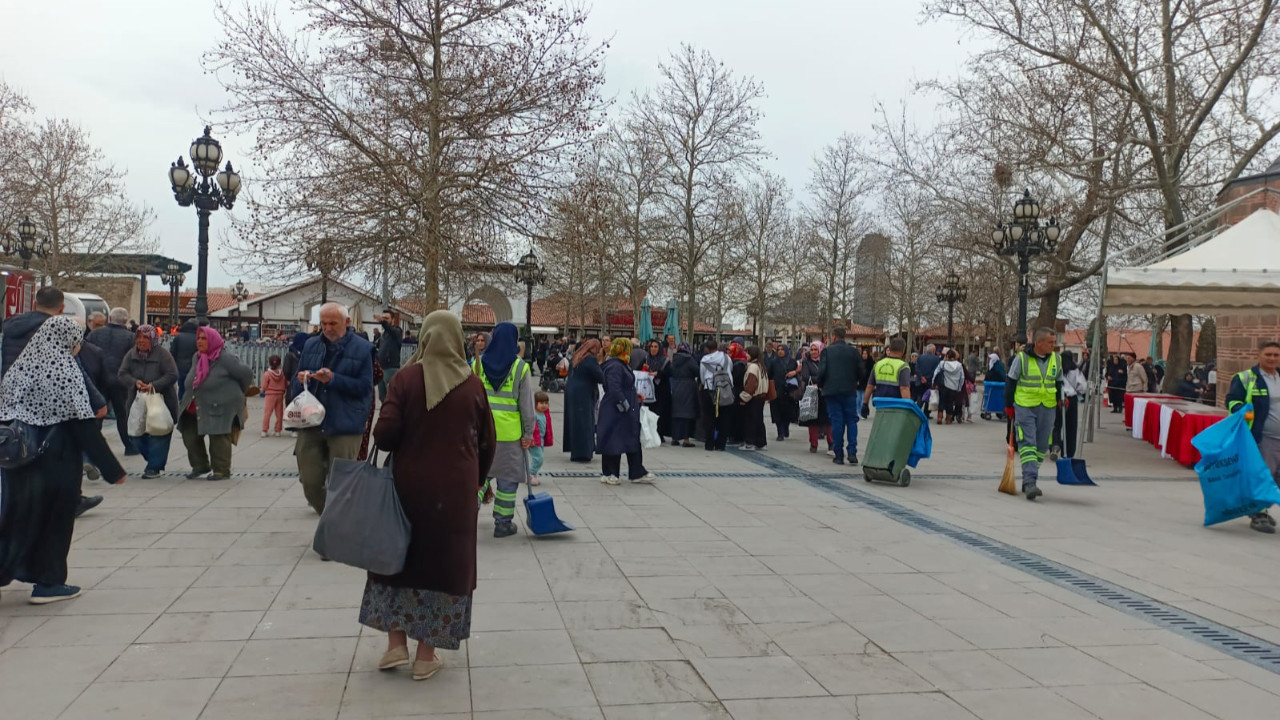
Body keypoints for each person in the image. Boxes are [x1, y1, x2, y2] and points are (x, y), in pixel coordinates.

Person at [366, 309, 496, 681]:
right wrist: (478, 482)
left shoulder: (406, 379)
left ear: (424, 337)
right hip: (454, 497)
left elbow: (385, 434)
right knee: (442, 568)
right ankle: (426, 655)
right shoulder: (472, 384)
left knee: (396, 558)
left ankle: (395, 646)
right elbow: (488, 441)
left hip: (406, 490)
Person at [0, 316, 125, 604]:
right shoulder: (63, 371)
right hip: (54, 461)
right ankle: (49, 583)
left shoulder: (21, 368)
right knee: (55, 523)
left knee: (17, 520)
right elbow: (81, 425)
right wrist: (111, 469)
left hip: (18, 460)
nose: (79, 345)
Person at [291, 303, 375, 514]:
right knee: (309, 482)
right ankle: (330, 515)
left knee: (343, 483)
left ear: (347, 322)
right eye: (324, 323)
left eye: (333, 323)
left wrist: (333, 379)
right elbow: (295, 382)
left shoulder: (363, 349)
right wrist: (301, 379)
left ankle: (337, 526)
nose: (327, 328)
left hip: (345, 422)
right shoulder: (311, 345)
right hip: (312, 422)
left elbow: (365, 388)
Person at [472, 322, 535, 535]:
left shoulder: (477, 365)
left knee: (480, 477)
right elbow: (527, 406)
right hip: (509, 435)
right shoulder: (520, 368)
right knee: (507, 480)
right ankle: (503, 524)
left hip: (481, 433)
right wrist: (528, 433)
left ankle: (468, 515)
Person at [178, 327, 254, 480]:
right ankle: (200, 466)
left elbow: (246, 374)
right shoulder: (197, 357)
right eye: (198, 338)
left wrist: (238, 392)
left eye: (204, 338)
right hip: (195, 403)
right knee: (189, 435)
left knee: (218, 437)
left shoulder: (225, 358)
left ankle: (221, 470)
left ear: (213, 340)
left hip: (221, 405)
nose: (199, 341)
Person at [1225, 343, 1280, 533]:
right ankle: (1259, 514)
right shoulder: (1246, 378)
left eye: (1276, 355)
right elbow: (1232, 401)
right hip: (1263, 438)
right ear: (1259, 355)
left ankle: (1261, 508)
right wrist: (1246, 413)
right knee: (1263, 476)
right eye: (1268, 354)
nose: (1272, 358)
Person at [1004, 327, 1062, 501]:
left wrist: (1060, 399)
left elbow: (1058, 383)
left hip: (1048, 406)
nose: (1054, 345)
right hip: (1025, 406)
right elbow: (1011, 383)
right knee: (1028, 442)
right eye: (1050, 342)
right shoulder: (1021, 359)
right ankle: (1030, 482)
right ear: (1039, 343)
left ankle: (1029, 477)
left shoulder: (1056, 360)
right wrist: (1008, 406)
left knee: (1041, 446)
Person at [119, 325, 179, 478]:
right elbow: (122, 374)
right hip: (137, 401)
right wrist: (134, 382)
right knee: (135, 435)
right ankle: (153, 460)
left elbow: (172, 374)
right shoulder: (131, 354)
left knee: (159, 432)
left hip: (161, 401)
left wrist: (154, 385)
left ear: (152, 339)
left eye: (145, 337)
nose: (141, 341)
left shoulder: (163, 355)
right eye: (138, 337)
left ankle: (154, 467)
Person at [597, 338, 654, 484]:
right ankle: (611, 473)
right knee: (614, 440)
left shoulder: (620, 364)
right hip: (616, 410)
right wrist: (625, 404)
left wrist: (634, 395)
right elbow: (614, 389)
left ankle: (635, 472)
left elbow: (622, 386)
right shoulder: (616, 366)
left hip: (621, 408)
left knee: (629, 439)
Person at [88, 307, 140, 456]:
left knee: (98, 413)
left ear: (110, 318)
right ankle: (129, 445)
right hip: (120, 381)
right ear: (125, 320)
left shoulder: (95, 334)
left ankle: (93, 446)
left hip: (99, 380)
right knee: (122, 414)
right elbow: (134, 360)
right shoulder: (130, 337)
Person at [817, 326, 865, 465]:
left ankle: (838, 454)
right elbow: (862, 371)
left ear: (833, 337)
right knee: (851, 420)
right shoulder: (853, 352)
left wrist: (821, 384)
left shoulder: (827, 351)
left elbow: (822, 371)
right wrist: (855, 382)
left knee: (836, 422)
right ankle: (852, 452)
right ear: (844, 337)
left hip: (831, 391)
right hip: (849, 390)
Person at [563, 338, 604, 462]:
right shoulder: (590, 359)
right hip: (584, 393)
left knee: (574, 421)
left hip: (571, 392)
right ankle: (583, 453)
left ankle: (575, 451)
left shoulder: (577, 356)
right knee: (585, 422)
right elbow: (600, 376)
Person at [863, 337, 912, 419]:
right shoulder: (903, 367)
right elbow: (904, 388)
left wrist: (865, 404)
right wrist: (907, 408)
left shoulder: (878, 364)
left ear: (890, 349)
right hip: (896, 405)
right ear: (903, 350)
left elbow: (870, 386)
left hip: (880, 404)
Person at [798, 340, 833, 454]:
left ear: (820, 350)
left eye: (815, 350)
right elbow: (805, 376)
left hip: (825, 394)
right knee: (812, 420)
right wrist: (819, 380)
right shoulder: (806, 362)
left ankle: (831, 443)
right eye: (811, 350)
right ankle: (813, 444)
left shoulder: (826, 361)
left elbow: (829, 375)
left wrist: (818, 380)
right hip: (813, 394)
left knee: (828, 420)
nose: (813, 352)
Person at [698, 339, 733, 452]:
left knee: (709, 418)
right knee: (724, 418)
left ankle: (709, 444)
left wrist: (704, 384)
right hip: (725, 390)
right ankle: (721, 445)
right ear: (717, 346)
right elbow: (730, 370)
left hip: (710, 390)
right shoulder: (726, 358)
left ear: (707, 349)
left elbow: (702, 375)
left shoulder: (704, 360)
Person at [662, 342, 699, 447]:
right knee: (687, 413)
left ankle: (675, 438)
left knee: (676, 413)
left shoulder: (674, 359)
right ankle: (686, 439)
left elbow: (670, 372)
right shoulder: (690, 359)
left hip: (676, 386)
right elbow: (697, 371)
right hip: (688, 387)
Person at [738, 345, 769, 451]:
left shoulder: (752, 367)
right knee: (759, 420)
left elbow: (751, 385)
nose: (746, 355)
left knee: (750, 421)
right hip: (761, 397)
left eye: (747, 353)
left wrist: (743, 398)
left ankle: (750, 443)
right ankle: (761, 443)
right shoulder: (761, 365)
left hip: (753, 397)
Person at [1059, 351, 1087, 458]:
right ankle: (1070, 451)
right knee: (1071, 427)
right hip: (1072, 399)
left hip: (1060, 398)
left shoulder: (1058, 369)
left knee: (1057, 425)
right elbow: (1082, 387)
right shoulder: (1076, 370)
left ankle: (1057, 446)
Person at [643, 339, 671, 441]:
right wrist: (644, 369)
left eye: (655, 347)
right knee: (650, 411)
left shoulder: (665, 360)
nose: (653, 349)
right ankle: (650, 432)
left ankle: (659, 433)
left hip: (662, 390)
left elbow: (669, 372)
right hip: (649, 389)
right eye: (651, 347)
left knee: (661, 413)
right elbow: (639, 370)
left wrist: (658, 373)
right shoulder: (646, 359)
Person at [767, 344, 795, 441]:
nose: (780, 351)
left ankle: (785, 427)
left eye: (782, 349)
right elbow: (769, 375)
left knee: (787, 412)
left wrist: (794, 373)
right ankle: (780, 432)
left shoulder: (792, 362)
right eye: (778, 349)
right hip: (777, 391)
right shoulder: (773, 362)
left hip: (789, 392)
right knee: (777, 412)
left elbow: (797, 374)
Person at [933, 349, 967, 425]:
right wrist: (959, 387)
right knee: (950, 403)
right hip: (953, 386)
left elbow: (936, 373)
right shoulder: (959, 365)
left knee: (941, 401)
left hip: (943, 385)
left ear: (947, 356)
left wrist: (933, 383)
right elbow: (962, 377)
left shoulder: (942, 363)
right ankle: (948, 419)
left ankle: (939, 417)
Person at [376, 310, 403, 403]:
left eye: (386, 318)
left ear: (393, 320)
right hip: (381, 368)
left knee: (391, 396)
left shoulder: (397, 331)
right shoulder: (384, 334)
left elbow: (391, 330)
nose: (384, 320)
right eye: (383, 318)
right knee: (382, 396)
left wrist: (382, 322)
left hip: (391, 368)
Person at [529, 391, 553, 486]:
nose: (544, 405)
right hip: (534, 440)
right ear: (535, 404)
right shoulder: (534, 415)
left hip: (541, 440)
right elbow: (531, 428)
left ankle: (533, 474)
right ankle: (530, 474)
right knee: (538, 458)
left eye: (546, 403)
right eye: (541, 403)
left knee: (539, 458)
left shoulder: (545, 414)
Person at [261, 355, 287, 436]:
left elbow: (264, 386)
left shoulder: (267, 374)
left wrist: (262, 390)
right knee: (279, 413)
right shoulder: (282, 374)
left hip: (270, 395)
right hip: (280, 394)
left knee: (268, 412)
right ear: (280, 364)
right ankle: (278, 430)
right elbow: (285, 384)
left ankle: (264, 430)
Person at [171, 320, 199, 387]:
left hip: (180, 368)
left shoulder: (178, 337)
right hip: (193, 369)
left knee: (181, 388)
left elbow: (172, 353)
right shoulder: (197, 338)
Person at [283, 331, 309, 403]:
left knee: (291, 411)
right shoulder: (309, 354)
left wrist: (288, 379)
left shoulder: (290, 354)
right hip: (306, 387)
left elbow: (286, 370)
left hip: (292, 385)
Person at [914, 344, 942, 411]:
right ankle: (926, 413)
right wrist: (927, 378)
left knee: (920, 396)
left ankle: (917, 411)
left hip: (920, 381)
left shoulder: (920, 357)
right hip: (930, 381)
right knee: (929, 397)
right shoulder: (937, 359)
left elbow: (917, 369)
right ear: (933, 350)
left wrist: (922, 377)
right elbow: (936, 371)